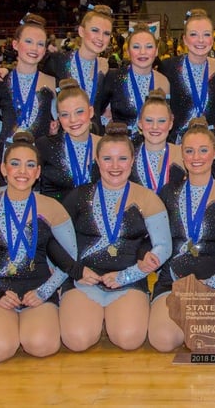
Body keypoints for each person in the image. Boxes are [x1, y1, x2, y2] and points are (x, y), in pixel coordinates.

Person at [59, 122, 172, 351]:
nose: (115, 166)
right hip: (84, 281)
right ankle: (92, 317)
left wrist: (126, 276)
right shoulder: (78, 197)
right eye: (107, 159)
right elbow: (53, 242)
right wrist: (76, 271)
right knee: (77, 341)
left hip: (127, 282)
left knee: (129, 339)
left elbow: (164, 246)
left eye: (122, 159)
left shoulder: (147, 198)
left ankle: (110, 317)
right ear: (97, 161)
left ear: (132, 161)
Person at [0, 132, 77, 362]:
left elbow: (69, 259)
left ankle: (25, 325)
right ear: (4, 169)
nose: (22, 172)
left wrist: (45, 291)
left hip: (38, 292)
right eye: (15, 164)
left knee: (42, 346)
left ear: (37, 172)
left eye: (30, 165)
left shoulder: (49, 207)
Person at [148, 118, 215, 352]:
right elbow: (157, 241)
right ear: (182, 155)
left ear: (214, 153)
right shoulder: (168, 192)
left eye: (203, 150)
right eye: (190, 151)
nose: (196, 157)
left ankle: (201, 320)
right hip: (174, 280)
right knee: (163, 341)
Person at [0, 14, 57, 181]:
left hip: (39, 162)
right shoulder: (0, 80)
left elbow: (58, 124)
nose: (34, 48)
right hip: (3, 158)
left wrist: (55, 128)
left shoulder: (53, 82)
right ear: (15, 44)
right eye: (28, 41)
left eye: (40, 44)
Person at [159, 9, 215, 142]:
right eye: (194, 34)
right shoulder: (168, 67)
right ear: (185, 39)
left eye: (206, 34)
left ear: (212, 39)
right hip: (176, 143)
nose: (201, 40)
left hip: (209, 143)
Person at [36, 79, 100, 201]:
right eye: (65, 114)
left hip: (96, 217)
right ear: (58, 117)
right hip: (56, 217)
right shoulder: (44, 146)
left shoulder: (107, 147)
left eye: (79, 112)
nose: (73, 120)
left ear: (90, 111)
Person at [100, 24, 171, 130]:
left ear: (156, 51)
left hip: (152, 143)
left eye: (149, 46)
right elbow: (100, 114)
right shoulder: (113, 77)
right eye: (136, 47)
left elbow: (165, 118)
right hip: (122, 143)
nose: (142, 52)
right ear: (128, 51)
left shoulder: (163, 81)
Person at [129, 89, 186, 193]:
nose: (155, 127)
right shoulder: (129, 155)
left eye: (161, 121)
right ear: (140, 124)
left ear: (170, 124)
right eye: (149, 120)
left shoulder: (184, 155)